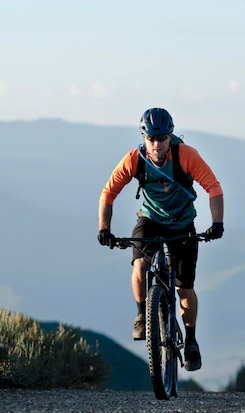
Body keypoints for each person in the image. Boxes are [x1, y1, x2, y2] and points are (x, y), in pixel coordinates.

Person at [97, 107, 224, 371]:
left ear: (170, 136)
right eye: (151, 138)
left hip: (182, 222)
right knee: (140, 265)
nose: (157, 144)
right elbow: (108, 193)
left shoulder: (186, 156)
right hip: (150, 220)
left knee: (184, 288)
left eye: (162, 138)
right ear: (144, 137)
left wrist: (216, 224)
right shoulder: (134, 159)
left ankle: (190, 341)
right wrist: (104, 229)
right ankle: (143, 315)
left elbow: (213, 187)